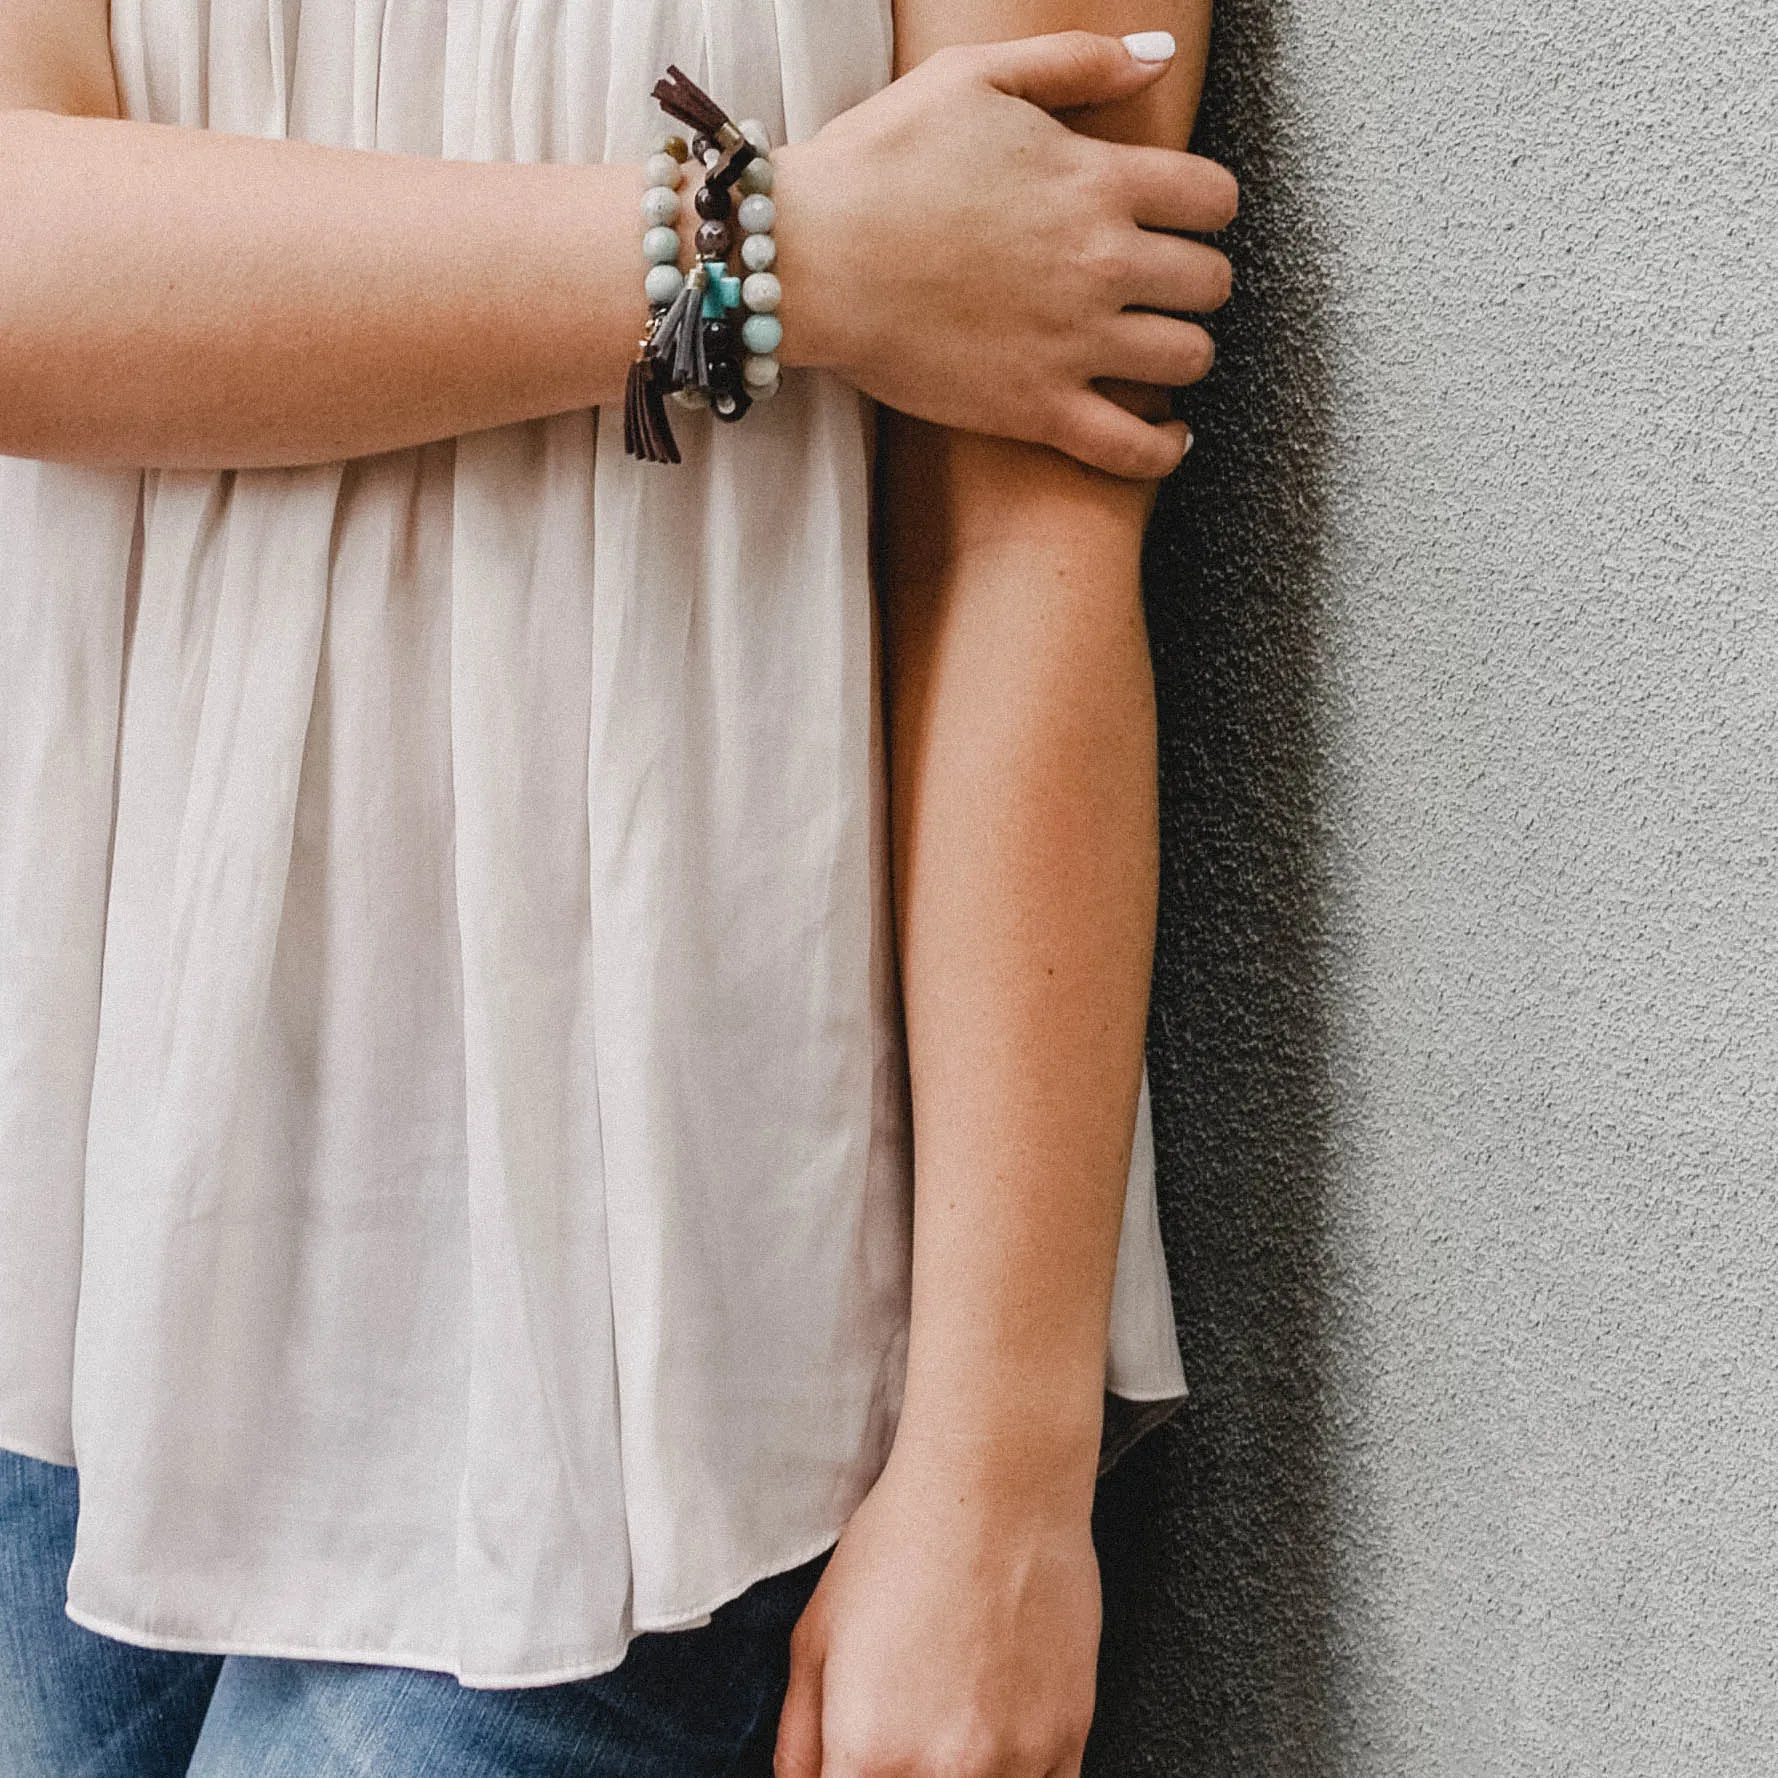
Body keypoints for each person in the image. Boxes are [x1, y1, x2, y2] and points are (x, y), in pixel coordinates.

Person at [0, 0, 1235, 1772]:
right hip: (72, 1224)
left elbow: (1023, 535)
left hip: (630, 1328)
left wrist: (1000, 1467)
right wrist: (772, 252)